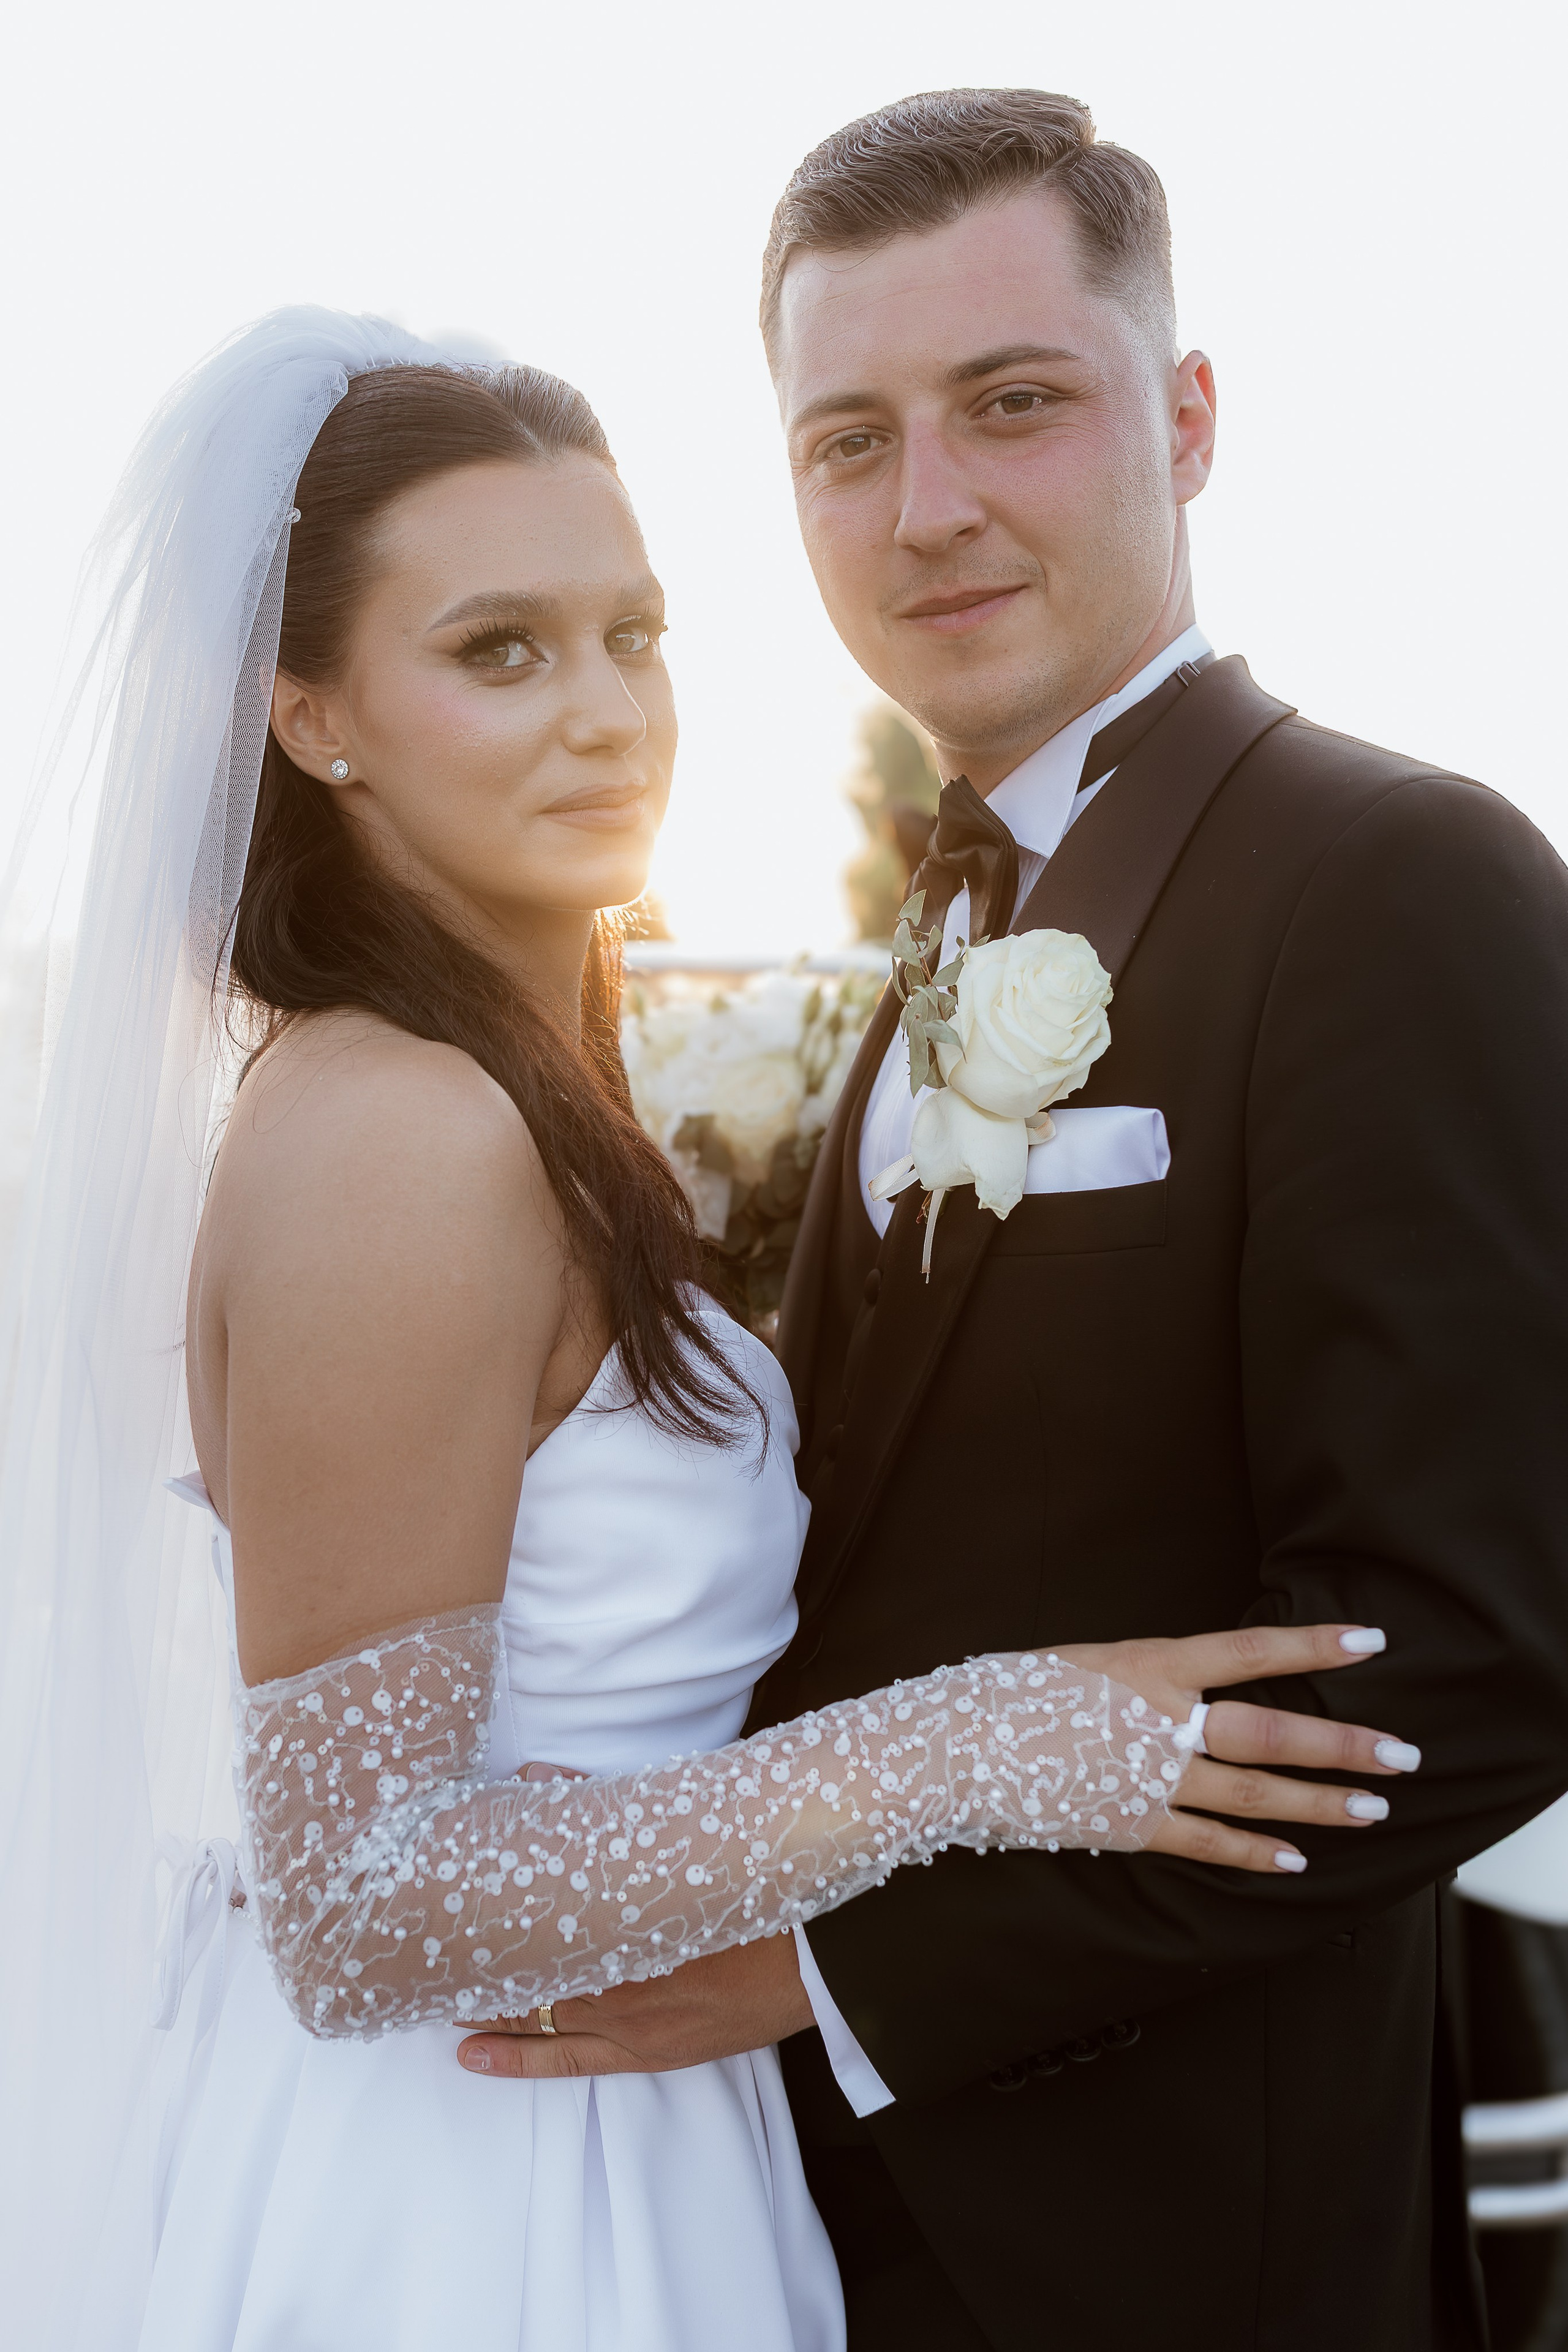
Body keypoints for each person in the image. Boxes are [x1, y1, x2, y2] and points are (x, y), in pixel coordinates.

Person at [0, 312, 1418, 2352]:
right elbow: (359, 1907)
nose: (608, 716)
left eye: (633, 635)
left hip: (630, 2122)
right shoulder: (400, 1136)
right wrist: (996, 1743)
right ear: (312, 717)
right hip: (469, 2201)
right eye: (500, 651)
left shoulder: (499, 1089)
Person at [459, 89, 1568, 2352]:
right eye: (844, 441)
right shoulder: (956, 924)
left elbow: (1466, 1660)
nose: (927, 506)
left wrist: (827, 1968)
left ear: (1186, 418)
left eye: (1015, 405)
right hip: (814, 2212)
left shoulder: (1397, 879)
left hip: (1187, 2230)